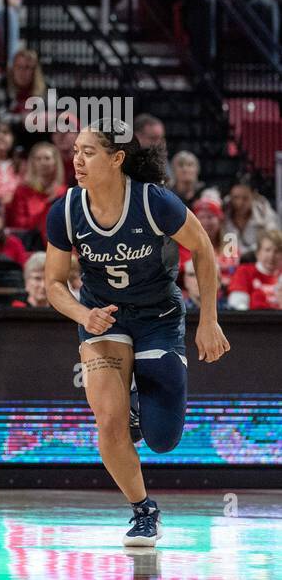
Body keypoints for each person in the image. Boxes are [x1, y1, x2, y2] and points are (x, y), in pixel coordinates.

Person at [44, 126, 230, 545]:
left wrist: (208, 320)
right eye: (75, 151)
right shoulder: (67, 209)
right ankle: (144, 509)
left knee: (163, 440)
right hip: (104, 318)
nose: (76, 160)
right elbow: (54, 283)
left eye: (88, 152)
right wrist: (82, 313)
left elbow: (202, 247)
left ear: (116, 159)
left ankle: (141, 412)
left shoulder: (153, 201)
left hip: (158, 316)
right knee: (108, 420)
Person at [6, 140, 66, 241]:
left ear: (56, 162)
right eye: (38, 159)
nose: (43, 162)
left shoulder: (64, 192)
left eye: (47, 158)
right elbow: (19, 225)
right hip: (31, 244)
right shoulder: (22, 191)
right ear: (32, 163)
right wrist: (44, 212)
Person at [227, 229, 281, 310]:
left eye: (277, 251)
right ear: (258, 253)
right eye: (267, 250)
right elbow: (237, 306)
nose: (272, 256)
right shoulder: (244, 271)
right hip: (252, 321)